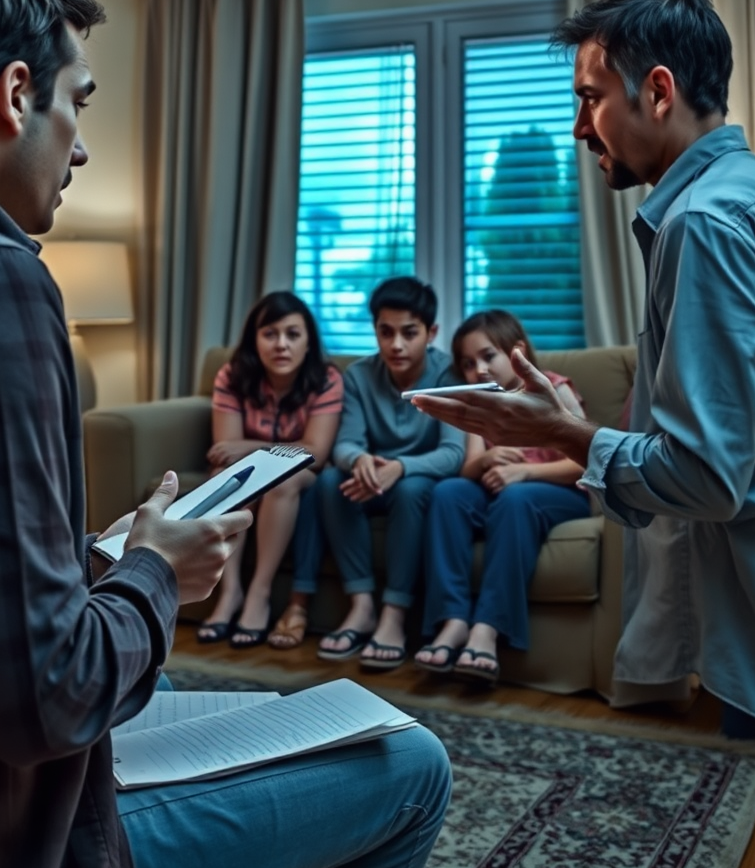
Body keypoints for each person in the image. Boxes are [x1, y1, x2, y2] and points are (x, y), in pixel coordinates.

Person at [0, 0, 452, 868]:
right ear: (15, 93)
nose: (80, 145)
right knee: (409, 765)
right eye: (78, 102)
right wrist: (156, 573)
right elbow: (39, 700)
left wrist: (99, 559)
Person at [410, 0, 755, 739]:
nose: (579, 126)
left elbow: (705, 476)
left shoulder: (705, 226)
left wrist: (566, 432)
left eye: (590, 97)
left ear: (659, 91)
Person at [414, 310, 590, 684]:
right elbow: (468, 470)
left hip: (557, 494)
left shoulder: (555, 390)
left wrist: (524, 471)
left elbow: (586, 462)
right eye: (467, 363)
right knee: (448, 492)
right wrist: (489, 459)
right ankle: (454, 620)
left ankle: (487, 630)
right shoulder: (478, 402)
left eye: (488, 356)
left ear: (517, 353)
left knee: (516, 498)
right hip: (502, 493)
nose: (479, 369)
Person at [315, 276, 466, 670]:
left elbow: (453, 453)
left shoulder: (450, 375)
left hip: (416, 483)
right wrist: (358, 461)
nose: (396, 344)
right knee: (331, 480)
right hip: (371, 482)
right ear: (375, 331)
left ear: (431, 333)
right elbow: (345, 443)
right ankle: (362, 604)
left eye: (409, 333)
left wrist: (400, 467)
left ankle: (394, 614)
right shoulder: (359, 376)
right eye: (386, 332)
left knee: (411, 488)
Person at [196, 290, 343, 648]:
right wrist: (249, 452)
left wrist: (253, 446)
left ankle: (259, 593)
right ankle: (229, 593)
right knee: (224, 478)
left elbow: (316, 453)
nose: (281, 344)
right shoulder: (232, 375)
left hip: (301, 475)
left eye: (293, 334)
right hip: (248, 471)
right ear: (254, 340)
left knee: (281, 480)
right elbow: (224, 452)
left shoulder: (326, 378)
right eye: (270, 334)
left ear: (308, 342)